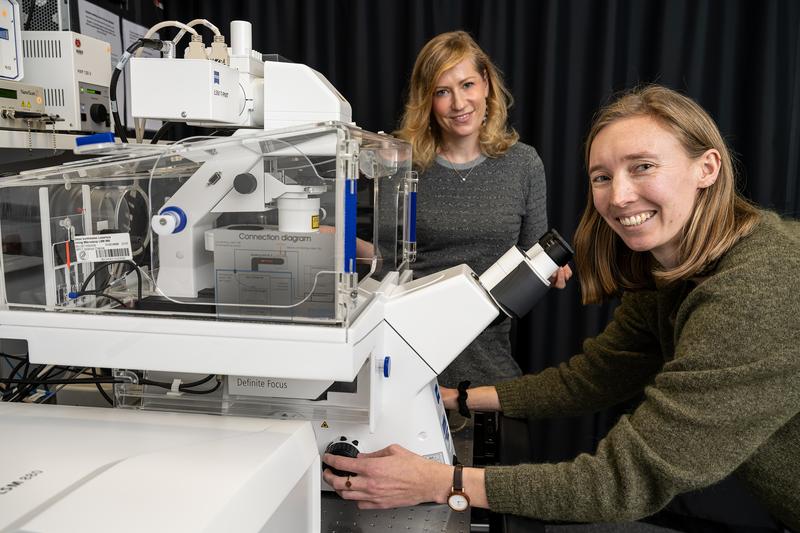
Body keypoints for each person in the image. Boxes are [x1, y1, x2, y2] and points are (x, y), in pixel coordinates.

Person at [323, 85, 800, 529]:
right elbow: (592, 378)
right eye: (602, 176)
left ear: (707, 168)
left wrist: (441, 481)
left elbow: (623, 480)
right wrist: (459, 397)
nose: (619, 196)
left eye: (643, 166)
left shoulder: (760, 288)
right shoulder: (670, 273)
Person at [380, 30, 570, 387]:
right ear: (427, 100)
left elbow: (533, 259)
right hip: (407, 364)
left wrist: (550, 273)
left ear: (485, 84)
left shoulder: (524, 164)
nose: (458, 103)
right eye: (442, 91)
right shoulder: (401, 163)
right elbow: (386, 263)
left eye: (467, 84)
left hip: (488, 367)